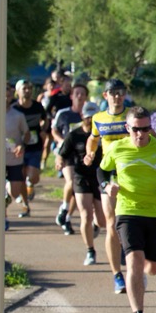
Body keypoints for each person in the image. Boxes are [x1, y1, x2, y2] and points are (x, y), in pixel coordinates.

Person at [98, 107, 156, 313]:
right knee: (134, 260)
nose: (141, 134)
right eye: (136, 129)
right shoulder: (117, 148)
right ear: (128, 128)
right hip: (127, 211)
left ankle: (140, 275)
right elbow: (102, 171)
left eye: (145, 129)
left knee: (153, 268)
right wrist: (106, 186)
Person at [86, 79, 136, 294]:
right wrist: (90, 153)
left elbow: (149, 136)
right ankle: (117, 275)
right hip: (109, 172)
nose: (117, 96)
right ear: (105, 95)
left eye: (120, 92)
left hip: (132, 172)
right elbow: (93, 138)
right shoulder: (98, 118)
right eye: (113, 92)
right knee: (111, 222)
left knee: (132, 220)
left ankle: (133, 260)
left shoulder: (132, 116)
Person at [58, 102, 107, 266]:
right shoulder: (74, 135)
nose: (90, 120)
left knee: (102, 220)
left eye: (93, 118)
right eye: (88, 118)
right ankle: (90, 251)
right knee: (85, 214)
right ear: (82, 117)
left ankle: (96, 225)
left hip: (99, 177)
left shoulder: (103, 134)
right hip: (81, 177)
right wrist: (59, 162)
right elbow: (62, 153)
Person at [51, 82, 90, 235]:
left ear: (86, 97)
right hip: (67, 152)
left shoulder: (90, 114)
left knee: (78, 188)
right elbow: (54, 130)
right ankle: (65, 208)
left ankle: (66, 217)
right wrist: (62, 141)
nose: (80, 96)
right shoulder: (64, 114)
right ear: (72, 96)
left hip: (83, 154)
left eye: (82, 94)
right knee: (72, 181)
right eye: (77, 93)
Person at [11, 79, 48, 208]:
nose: (27, 91)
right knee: (21, 176)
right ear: (17, 91)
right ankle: (25, 203)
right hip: (18, 146)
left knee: (33, 177)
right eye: (24, 88)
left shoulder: (37, 106)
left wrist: (43, 130)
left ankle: (30, 184)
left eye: (30, 88)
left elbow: (45, 119)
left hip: (34, 145)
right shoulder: (14, 108)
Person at [2, 83, 30, 222]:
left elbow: (26, 133)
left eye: (8, 95)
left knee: (15, 192)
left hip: (14, 157)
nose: (5, 97)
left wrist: (22, 145)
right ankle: (3, 218)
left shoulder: (18, 115)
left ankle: (7, 192)